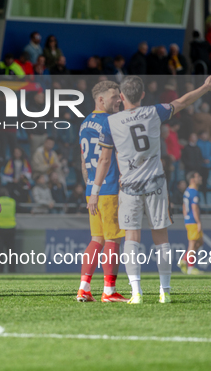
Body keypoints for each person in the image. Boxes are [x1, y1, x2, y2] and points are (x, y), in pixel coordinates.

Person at [88, 73, 211, 304]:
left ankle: (136, 293)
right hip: (156, 184)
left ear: (121, 96)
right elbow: (182, 102)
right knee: (161, 237)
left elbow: (104, 160)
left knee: (132, 238)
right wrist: (204, 88)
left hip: (129, 187)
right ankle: (165, 292)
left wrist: (94, 191)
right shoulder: (154, 112)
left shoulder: (111, 123)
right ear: (142, 94)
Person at [77, 80, 127, 302]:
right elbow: (114, 155)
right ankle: (109, 291)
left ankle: (84, 288)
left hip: (92, 188)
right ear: (100, 99)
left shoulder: (85, 123)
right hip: (109, 188)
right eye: (114, 96)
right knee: (113, 240)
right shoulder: (112, 122)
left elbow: (82, 159)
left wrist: (91, 187)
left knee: (96, 239)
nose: (119, 99)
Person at [179, 172, 204, 276]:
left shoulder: (187, 191)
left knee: (200, 242)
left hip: (188, 220)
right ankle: (190, 268)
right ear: (193, 179)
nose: (200, 178)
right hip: (193, 221)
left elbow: (184, 207)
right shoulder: (194, 192)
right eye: (198, 177)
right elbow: (194, 208)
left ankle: (184, 260)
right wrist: (198, 222)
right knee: (192, 244)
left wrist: (186, 218)